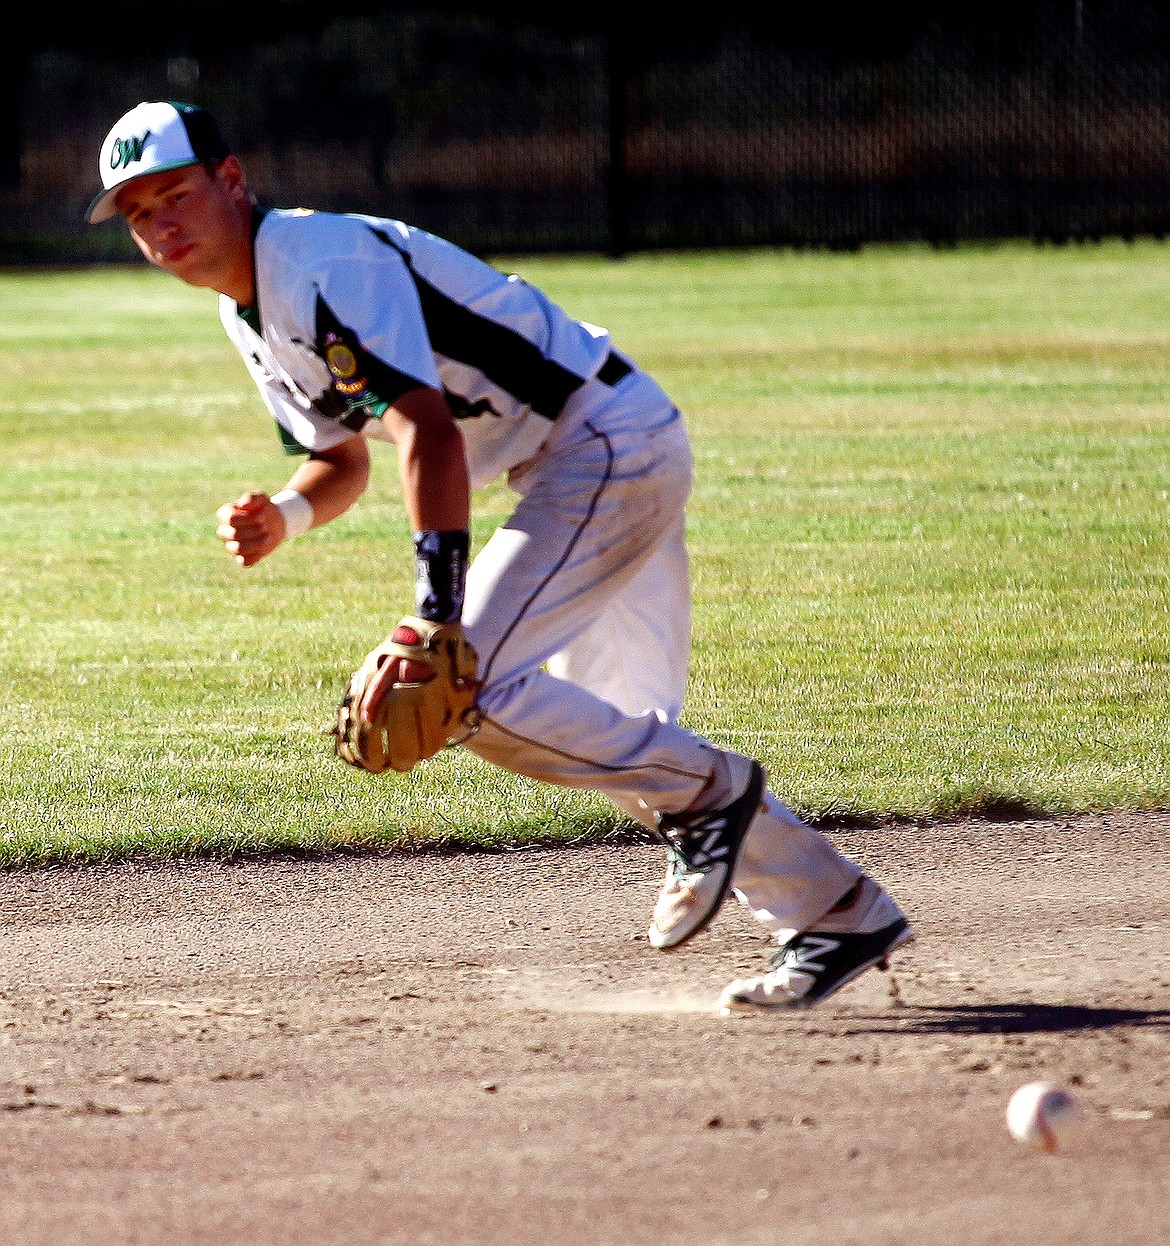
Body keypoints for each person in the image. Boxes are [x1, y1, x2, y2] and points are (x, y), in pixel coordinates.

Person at [86, 100, 914, 1011]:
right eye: (137, 214)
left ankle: (718, 799)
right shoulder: (246, 310)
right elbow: (341, 456)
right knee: (612, 731)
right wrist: (286, 515)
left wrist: (433, 614)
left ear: (233, 180)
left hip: (602, 446)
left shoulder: (323, 266)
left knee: (459, 687)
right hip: (582, 457)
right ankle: (835, 910)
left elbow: (428, 435)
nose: (160, 226)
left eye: (175, 195)